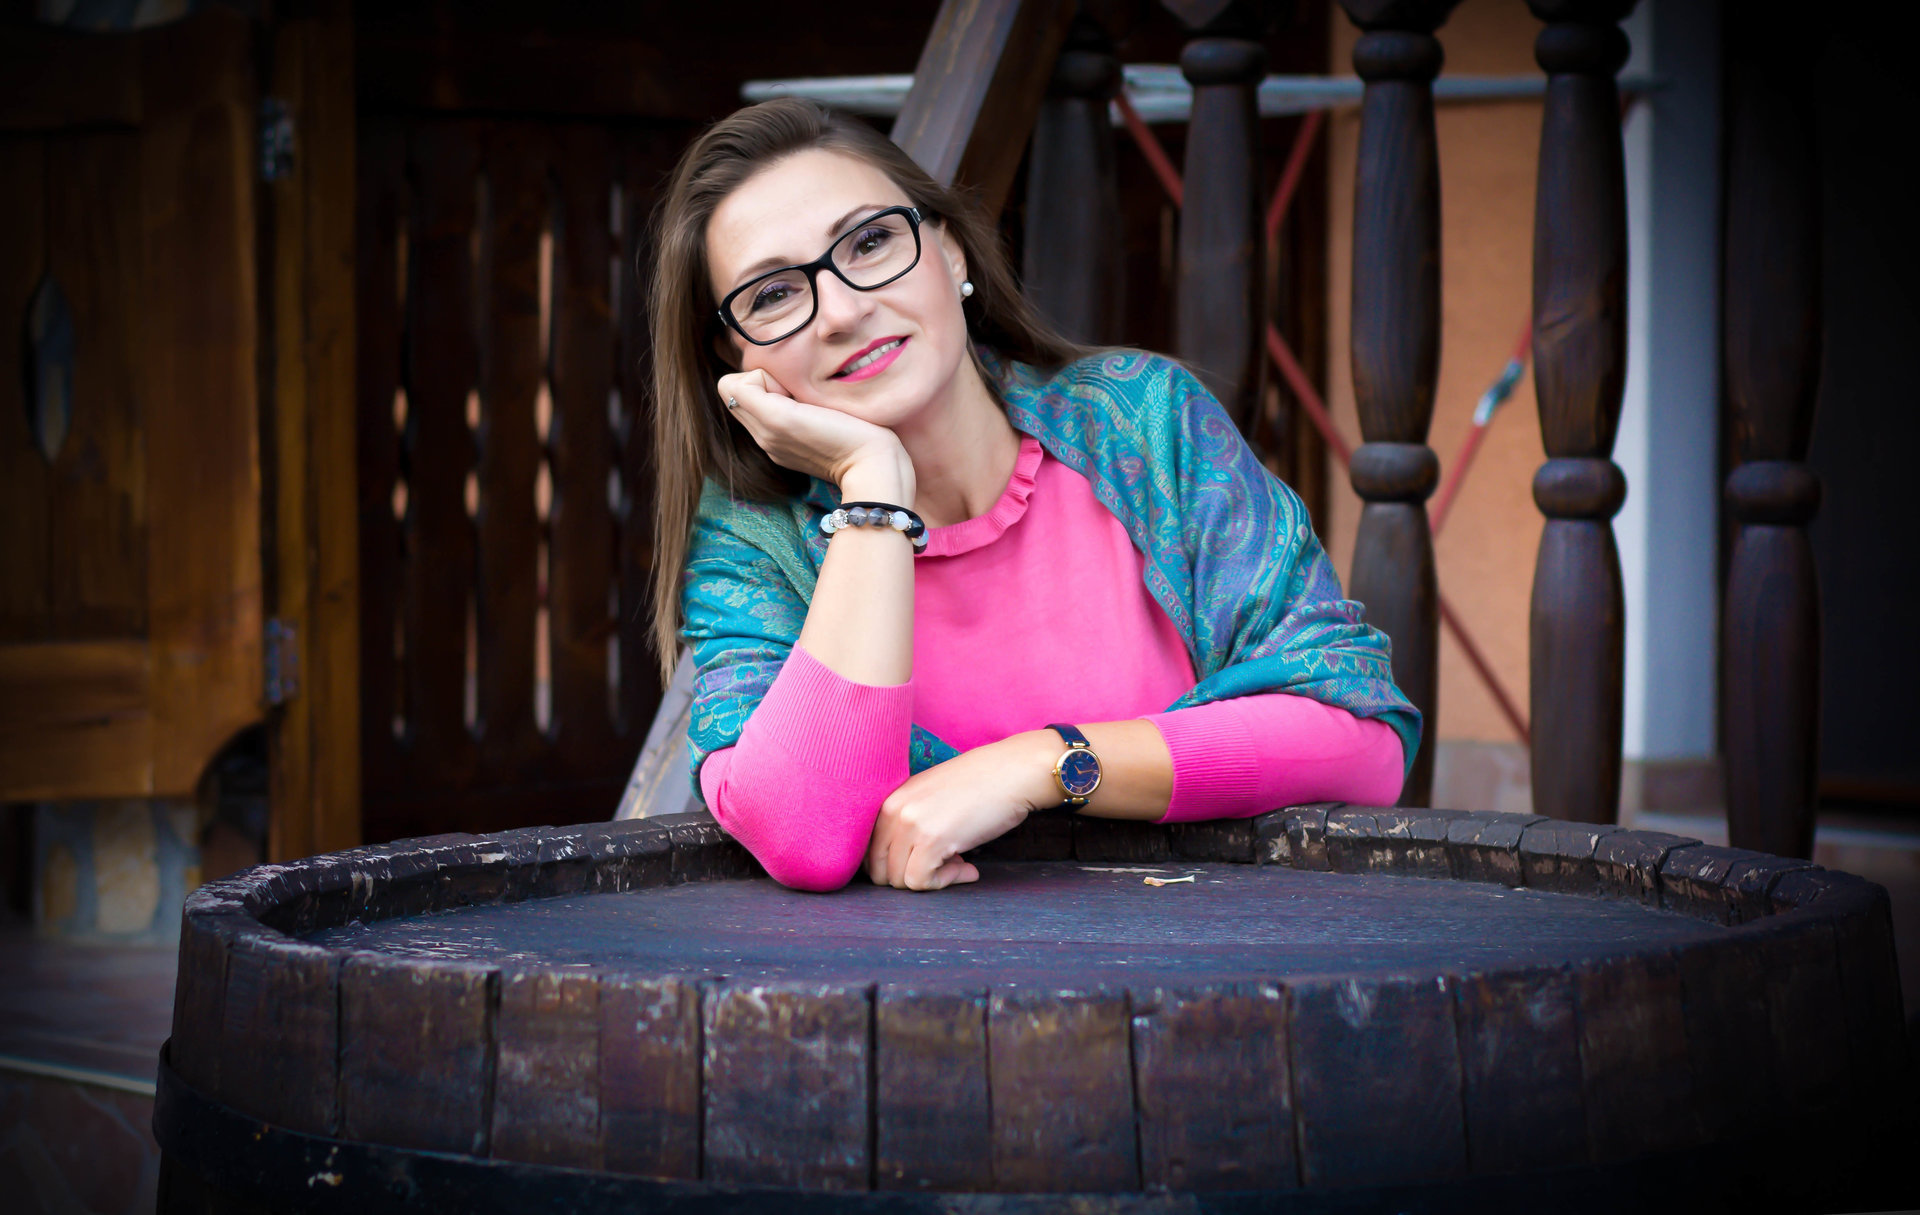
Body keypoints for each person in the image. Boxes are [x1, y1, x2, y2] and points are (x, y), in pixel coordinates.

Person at [649, 98, 1418, 894]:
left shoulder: (1141, 422)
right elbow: (805, 834)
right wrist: (873, 489)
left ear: (949, 251)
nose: (842, 312)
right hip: (921, 973)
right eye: (773, 295)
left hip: (1197, 955)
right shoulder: (752, 537)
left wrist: (1047, 764)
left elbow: (1362, 735)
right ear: (734, 359)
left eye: (871, 242)